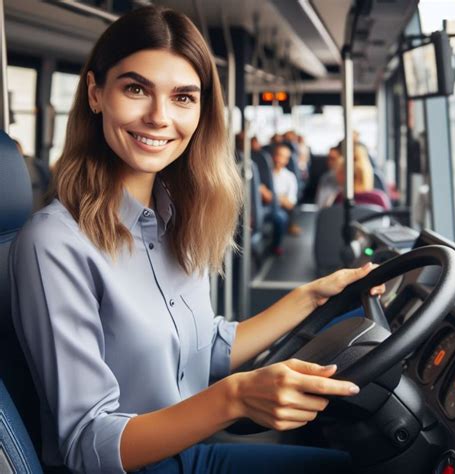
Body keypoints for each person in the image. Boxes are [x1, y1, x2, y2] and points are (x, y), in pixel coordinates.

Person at [9, 6, 384, 474]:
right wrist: (236, 397)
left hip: (186, 454)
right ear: (95, 93)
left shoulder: (172, 217)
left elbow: (206, 348)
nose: (159, 117)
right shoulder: (53, 243)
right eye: (136, 89)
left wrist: (312, 295)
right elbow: (89, 444)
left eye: (183, 97)